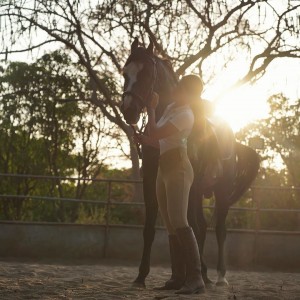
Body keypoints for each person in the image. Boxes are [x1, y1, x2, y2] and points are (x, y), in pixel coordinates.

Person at [135, 75, 205, 295]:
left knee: (179, 221)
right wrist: (144, 140)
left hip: (179, 168)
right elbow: (157, 139)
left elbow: (156, 130)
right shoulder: (173, 108)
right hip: (163, 169)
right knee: (169, 225)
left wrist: (152, 109)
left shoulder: (186, 114)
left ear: (189, 93)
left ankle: (196, 279)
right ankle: (178, 277)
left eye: (181, 87)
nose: (176, 89)